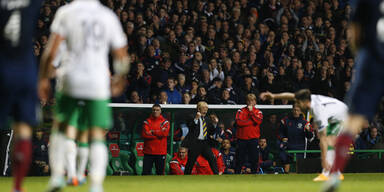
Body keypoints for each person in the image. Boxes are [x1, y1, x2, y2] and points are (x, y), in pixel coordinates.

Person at [38, 0, 130, 191]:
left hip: (71, 77)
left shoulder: (66, 12)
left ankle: (57, 177)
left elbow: (51, 50)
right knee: (96, 134)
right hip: (98, 80)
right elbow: (121, 55)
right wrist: (120, 78)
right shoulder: (107, 16)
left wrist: (44, 79)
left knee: (61, 128)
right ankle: (95, 184)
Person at [323, 1, 384, 191]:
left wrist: (361, 58)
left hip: (373, 60)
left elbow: (354, 33)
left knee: (353, 122)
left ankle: (334, 175)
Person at [0, 0, 44, 191]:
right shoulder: (31, 3)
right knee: (24, 130)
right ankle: (17, 186)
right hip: (25, 70)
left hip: (2, 68)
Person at [260, 89, 345, 181]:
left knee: (328, 141)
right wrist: (273, 96)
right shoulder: (309, 99)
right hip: (335, 114)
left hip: (342, 117)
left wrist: (323, 160)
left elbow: (323, 139)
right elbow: (291, 95)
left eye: (298, 103)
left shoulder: (318, 111)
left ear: (304, 102)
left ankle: (328, 173)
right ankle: (335, 173)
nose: (297, 106)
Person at [182, 101, 219, 175]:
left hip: (205, 143)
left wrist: (215, 124)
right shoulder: (192, 117)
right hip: (195, 143)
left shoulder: (208, 120)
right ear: (198, 109)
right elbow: (190, 126)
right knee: (191, 161)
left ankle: (216, 174)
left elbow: (211, 132)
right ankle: (186, 176)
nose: (205, 110)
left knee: (212, 158)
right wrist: (196, 119)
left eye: (206, 108)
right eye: (204, 108)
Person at [278, 105, 314, 173]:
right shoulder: (285, 120)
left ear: (300, 111)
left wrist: (307, 131)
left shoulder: (305, 122)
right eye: (294, 110)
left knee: (299, 169)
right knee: (286, 168)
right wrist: (283, 138)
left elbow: (310, 137)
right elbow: (279, 133)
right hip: (288, 147)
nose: (296, 112)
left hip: (300, 148)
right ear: (292, 110)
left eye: (297, 110)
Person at [235, 93, 263, 174]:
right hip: (242, 139)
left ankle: (254, 175)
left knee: (254, 159)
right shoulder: (240, 111)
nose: (250, 102)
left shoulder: (258, 112)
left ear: (255, 102)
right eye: (248, 100)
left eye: (252, 100)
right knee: (239, 159)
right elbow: (239, 122)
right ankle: (236, 175)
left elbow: (258, 121)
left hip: (253, 139)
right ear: (246, 101)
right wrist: (252, 121)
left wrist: (251, 112)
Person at [141, 104, 170, 175]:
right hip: (148, 152)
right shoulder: (147, 121)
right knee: (145, 173)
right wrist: (159, 133)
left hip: (160, 152)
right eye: (154, 110)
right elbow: (145, 134)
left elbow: (165, 134)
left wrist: (153, 132)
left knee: (160, 173)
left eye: (157, 110)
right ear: (151, 111)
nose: (155, 111)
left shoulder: (165, 122)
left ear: (160, 111)